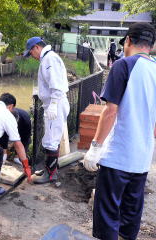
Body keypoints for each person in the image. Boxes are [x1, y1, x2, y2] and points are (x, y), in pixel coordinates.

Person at [83, 22, 156, 240]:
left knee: (107, 214)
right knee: (130, 216)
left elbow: (110, 111)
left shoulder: (123, 65)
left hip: (117, 156)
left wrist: (95, 147)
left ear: (129, 41)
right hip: (142, 159)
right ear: (151, 46)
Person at [23, 37, 70, 184]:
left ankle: (51, 175)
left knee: (51, 140)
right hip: (52, 103)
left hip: (54, 103)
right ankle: (48, 169)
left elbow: (56, 83)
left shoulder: (49, 59)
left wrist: (54, 103)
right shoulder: (48, 58)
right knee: (49, 137)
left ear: (36, 47)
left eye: (31, 53)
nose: (32, 56)